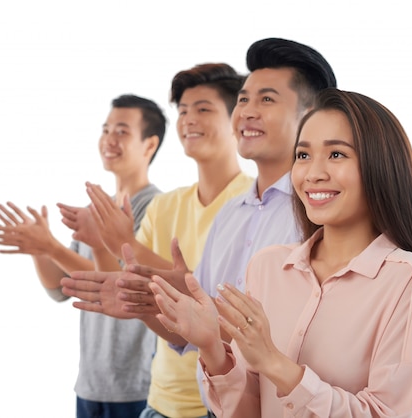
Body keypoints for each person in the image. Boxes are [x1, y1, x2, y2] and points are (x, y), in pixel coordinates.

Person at [149, 88, 412, 417]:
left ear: (380, 166)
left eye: (336, 155)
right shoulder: (268, 265)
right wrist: (212, 349)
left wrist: (275, 363)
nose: (313, 173)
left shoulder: (408, 279)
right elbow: (247, 412)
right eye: (303, 156)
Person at [114, 37, 337, 413]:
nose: (247, 111)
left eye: (267, 99)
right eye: (244, 100)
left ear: (311, 115)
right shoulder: (231, 214)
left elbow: (295, 342)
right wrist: (148, 303)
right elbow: (194, 335)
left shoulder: (321, 214)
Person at [61, 63, 254, 418]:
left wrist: (122, 240)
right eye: (182, 110)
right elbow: (141, 300)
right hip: (159, 402)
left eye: (203, 109)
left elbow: (231, 314)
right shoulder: (165, 207)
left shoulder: (255, 202)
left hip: (218, 403)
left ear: (236, 118)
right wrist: (111, 250)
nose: (188, 120)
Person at [0, 94, 166, 418]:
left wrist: (53, 247)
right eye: (106, 128)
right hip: (90, 384)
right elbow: (60, 287)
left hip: (137, 386)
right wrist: (40, 250)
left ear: (149, 145)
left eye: (122, 131)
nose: (109, 139)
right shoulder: (94, 212)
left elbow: (121, 284)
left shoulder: (159, 209)